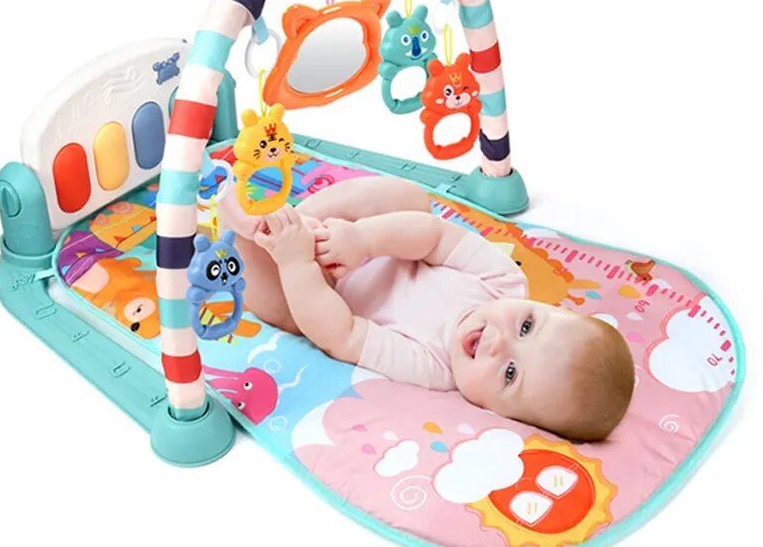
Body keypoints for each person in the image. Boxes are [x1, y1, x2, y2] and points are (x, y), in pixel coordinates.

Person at [221, 176, 634, 441]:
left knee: (282, 308)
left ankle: (254, 230)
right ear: (540, 306)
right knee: (411, 199)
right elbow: (435, 237)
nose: (499, 341)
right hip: (373, 237)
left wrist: (297, 262)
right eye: (527, 326)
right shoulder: (505, 283)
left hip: (324, 289)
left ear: (500, 413)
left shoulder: (434, 368)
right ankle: (301, 217)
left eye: (510, 373)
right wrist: (361, 240)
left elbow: (341, 334)